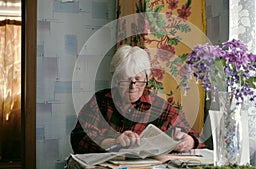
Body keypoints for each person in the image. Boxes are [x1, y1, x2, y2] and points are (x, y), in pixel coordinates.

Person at [70, 45, 206, 154]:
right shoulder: (100, 101)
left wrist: (190, 141)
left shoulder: (159, 106)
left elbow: (195, 136)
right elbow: (78, 138)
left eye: (139, 79)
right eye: (126, 79)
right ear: (116, 80)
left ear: (146, 79)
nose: (132, 86)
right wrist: (113, 142)